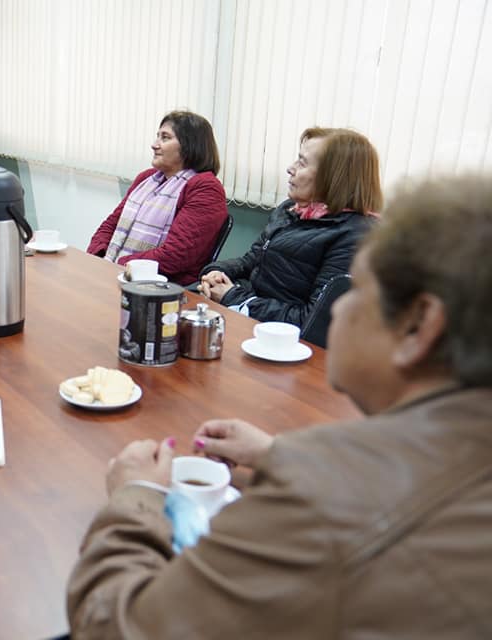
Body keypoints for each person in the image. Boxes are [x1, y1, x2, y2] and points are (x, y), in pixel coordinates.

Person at [66, 173, 492, 638]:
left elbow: (115, 626)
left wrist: (136, 499)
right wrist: (282, 457)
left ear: (419, 326)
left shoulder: (320, 507)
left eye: (358, 291)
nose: (339, 308)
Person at [198, 127, 382, 326]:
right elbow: (252, 260)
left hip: (285, 342)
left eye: (302, 163)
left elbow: (311, 322)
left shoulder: (355, 235)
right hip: (250, 319)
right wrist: (216, 272)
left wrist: (234, 297)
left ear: (334, 177)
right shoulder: (290, 209)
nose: (290, 168)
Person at [86, 111, 227, 285]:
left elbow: (175, 256)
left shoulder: (206, 188)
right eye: (157, 136)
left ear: (189, 146)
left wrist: (118, 266)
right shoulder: (146, 178)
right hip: (119, 274)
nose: (154, 145)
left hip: (163, 290)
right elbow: (109, 226)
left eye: (165, 138)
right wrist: (98, 259)